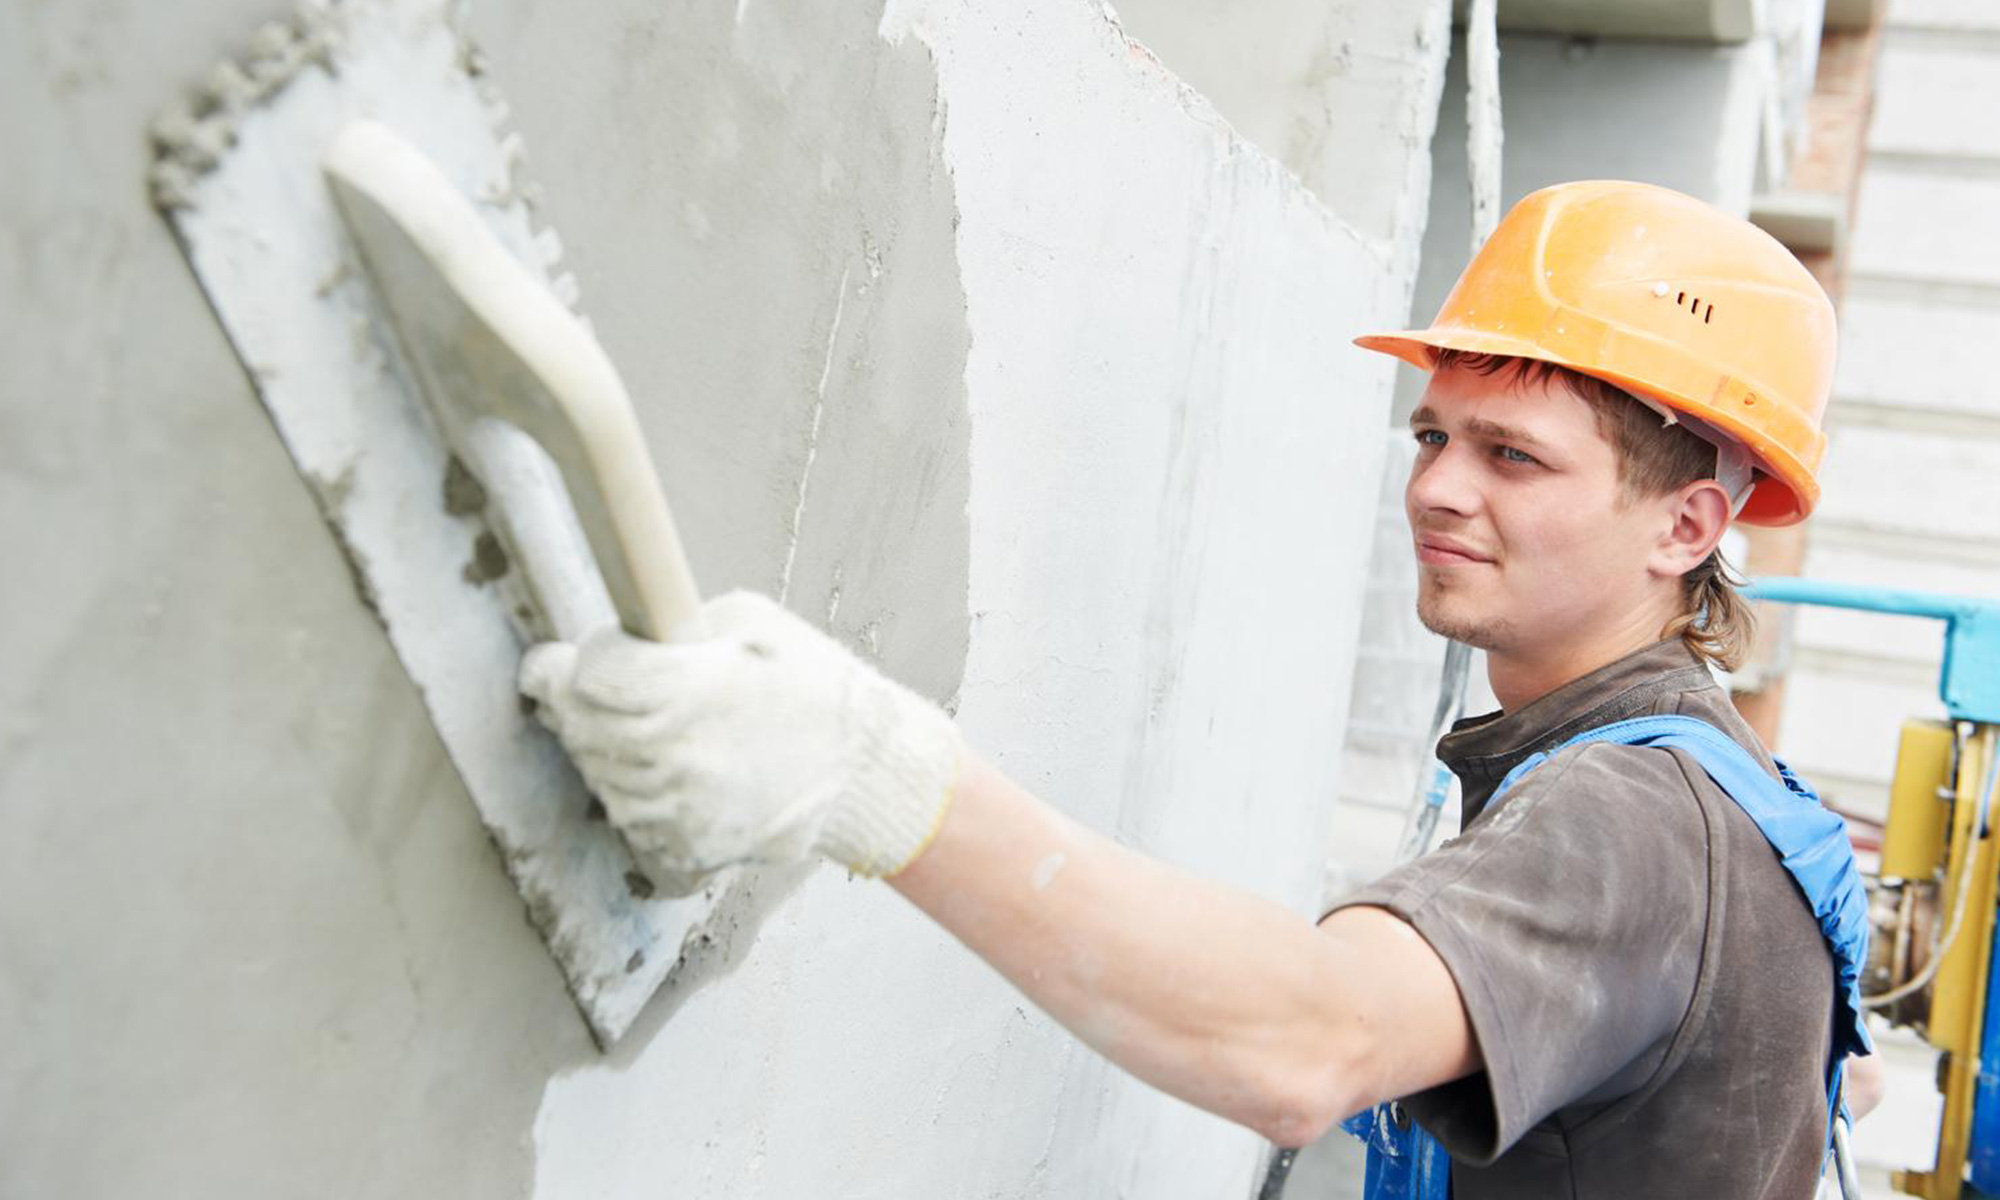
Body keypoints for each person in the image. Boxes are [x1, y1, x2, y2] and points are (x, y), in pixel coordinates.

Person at [519, 180, 1869, 1197]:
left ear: (1686, 528)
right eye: (1435, 435)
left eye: (1514, 457)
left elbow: (1308, 1044)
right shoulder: (1684, 787)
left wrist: (874, 770)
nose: (1438, 489)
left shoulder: (1633, 825)